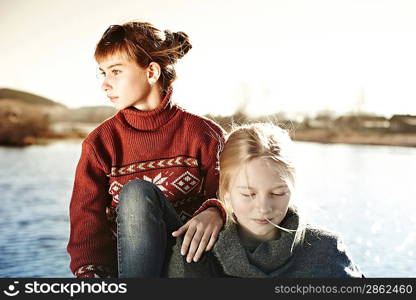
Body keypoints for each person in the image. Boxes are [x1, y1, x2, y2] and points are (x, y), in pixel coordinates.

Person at [67, 21, 226, 278]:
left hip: (191, 264)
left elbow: (236, 197)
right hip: (127, 269)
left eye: (116, 71)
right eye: (103, 73)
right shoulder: (100, 144)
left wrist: (217, 209)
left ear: (151, 72)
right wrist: (91, 279)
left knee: (137, 192)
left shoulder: (204, 135)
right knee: (137, 194)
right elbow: (87, 226)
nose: (105, 84)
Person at [165, 123, 364, 278]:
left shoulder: (326, 251)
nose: (263, 208)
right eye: (248, 194)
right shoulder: (192, 250)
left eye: (277, 193)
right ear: (225, 192)